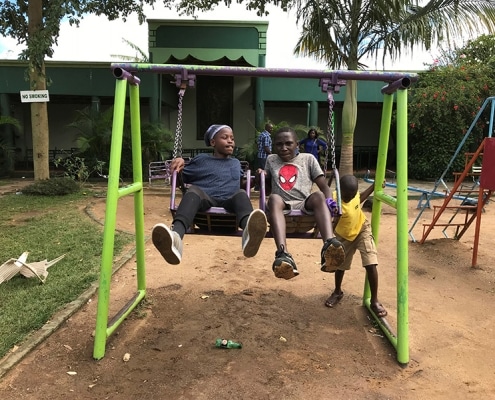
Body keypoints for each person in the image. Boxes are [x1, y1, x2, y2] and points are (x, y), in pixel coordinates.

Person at [152, 124, 268, 264]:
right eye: (225, 137)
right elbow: (179, 182)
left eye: (232, 138)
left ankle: (250, 233)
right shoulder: (201, 160)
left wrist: (255, 178)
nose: (230, 141)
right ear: (213, 142)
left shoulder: (236, 163)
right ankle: (176, 237)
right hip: (205, 202)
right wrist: (179, 165)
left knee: (241, 193)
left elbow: (240, 184)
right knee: (192, 191)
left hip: (230, 207)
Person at [260, 126, 345, 280]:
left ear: (297, 144)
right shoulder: (271, 160)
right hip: (281, 204)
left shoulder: (308, 159)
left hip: (304, 203)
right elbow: (266, 189)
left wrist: (330, 201)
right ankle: (283, 254)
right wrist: (262, 176)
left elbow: (324, 187)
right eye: (279, 144)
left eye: (288, 143)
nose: (283, 148)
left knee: (318, 195)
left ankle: (329, 244)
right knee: (273, 198)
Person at [324, 174, 388, 318]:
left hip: (361, 229)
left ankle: (375, 300)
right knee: (340, 267)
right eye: (346, 196)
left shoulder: (354, 195)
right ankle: (337, 292)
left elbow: (362, 196)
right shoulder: (334, 200)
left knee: (371, 263)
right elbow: (329, 221)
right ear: (340, 190)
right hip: (343, 236)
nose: (350, 198)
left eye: (352, 195)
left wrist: (375, 185)